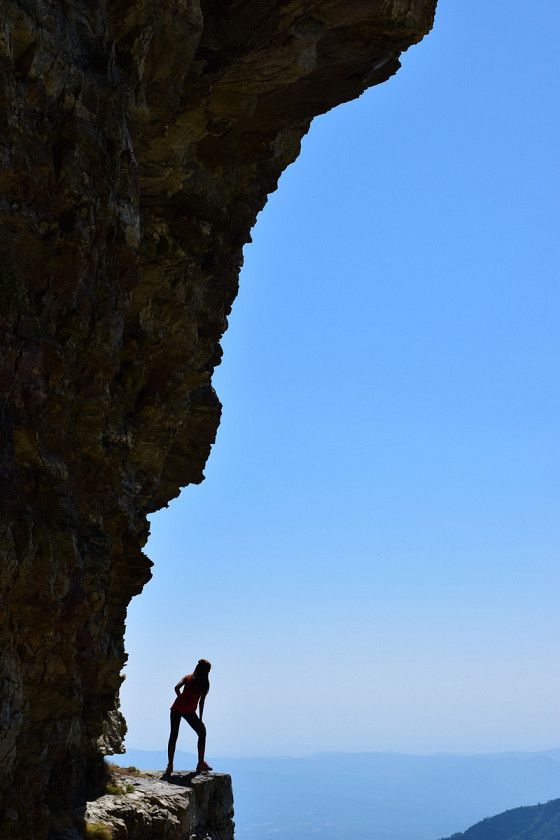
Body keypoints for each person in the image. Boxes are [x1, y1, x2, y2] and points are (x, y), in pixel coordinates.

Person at [166, 659, 213, 774]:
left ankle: (170, 765)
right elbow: (201, 702)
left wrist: (181, 698)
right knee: (202, 733)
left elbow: (176, 688)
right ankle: (200, 763)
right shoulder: (204, 684)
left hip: (176, 708)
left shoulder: (188, 678)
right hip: (189, 711)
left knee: (173, 734)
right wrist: (200, 720)